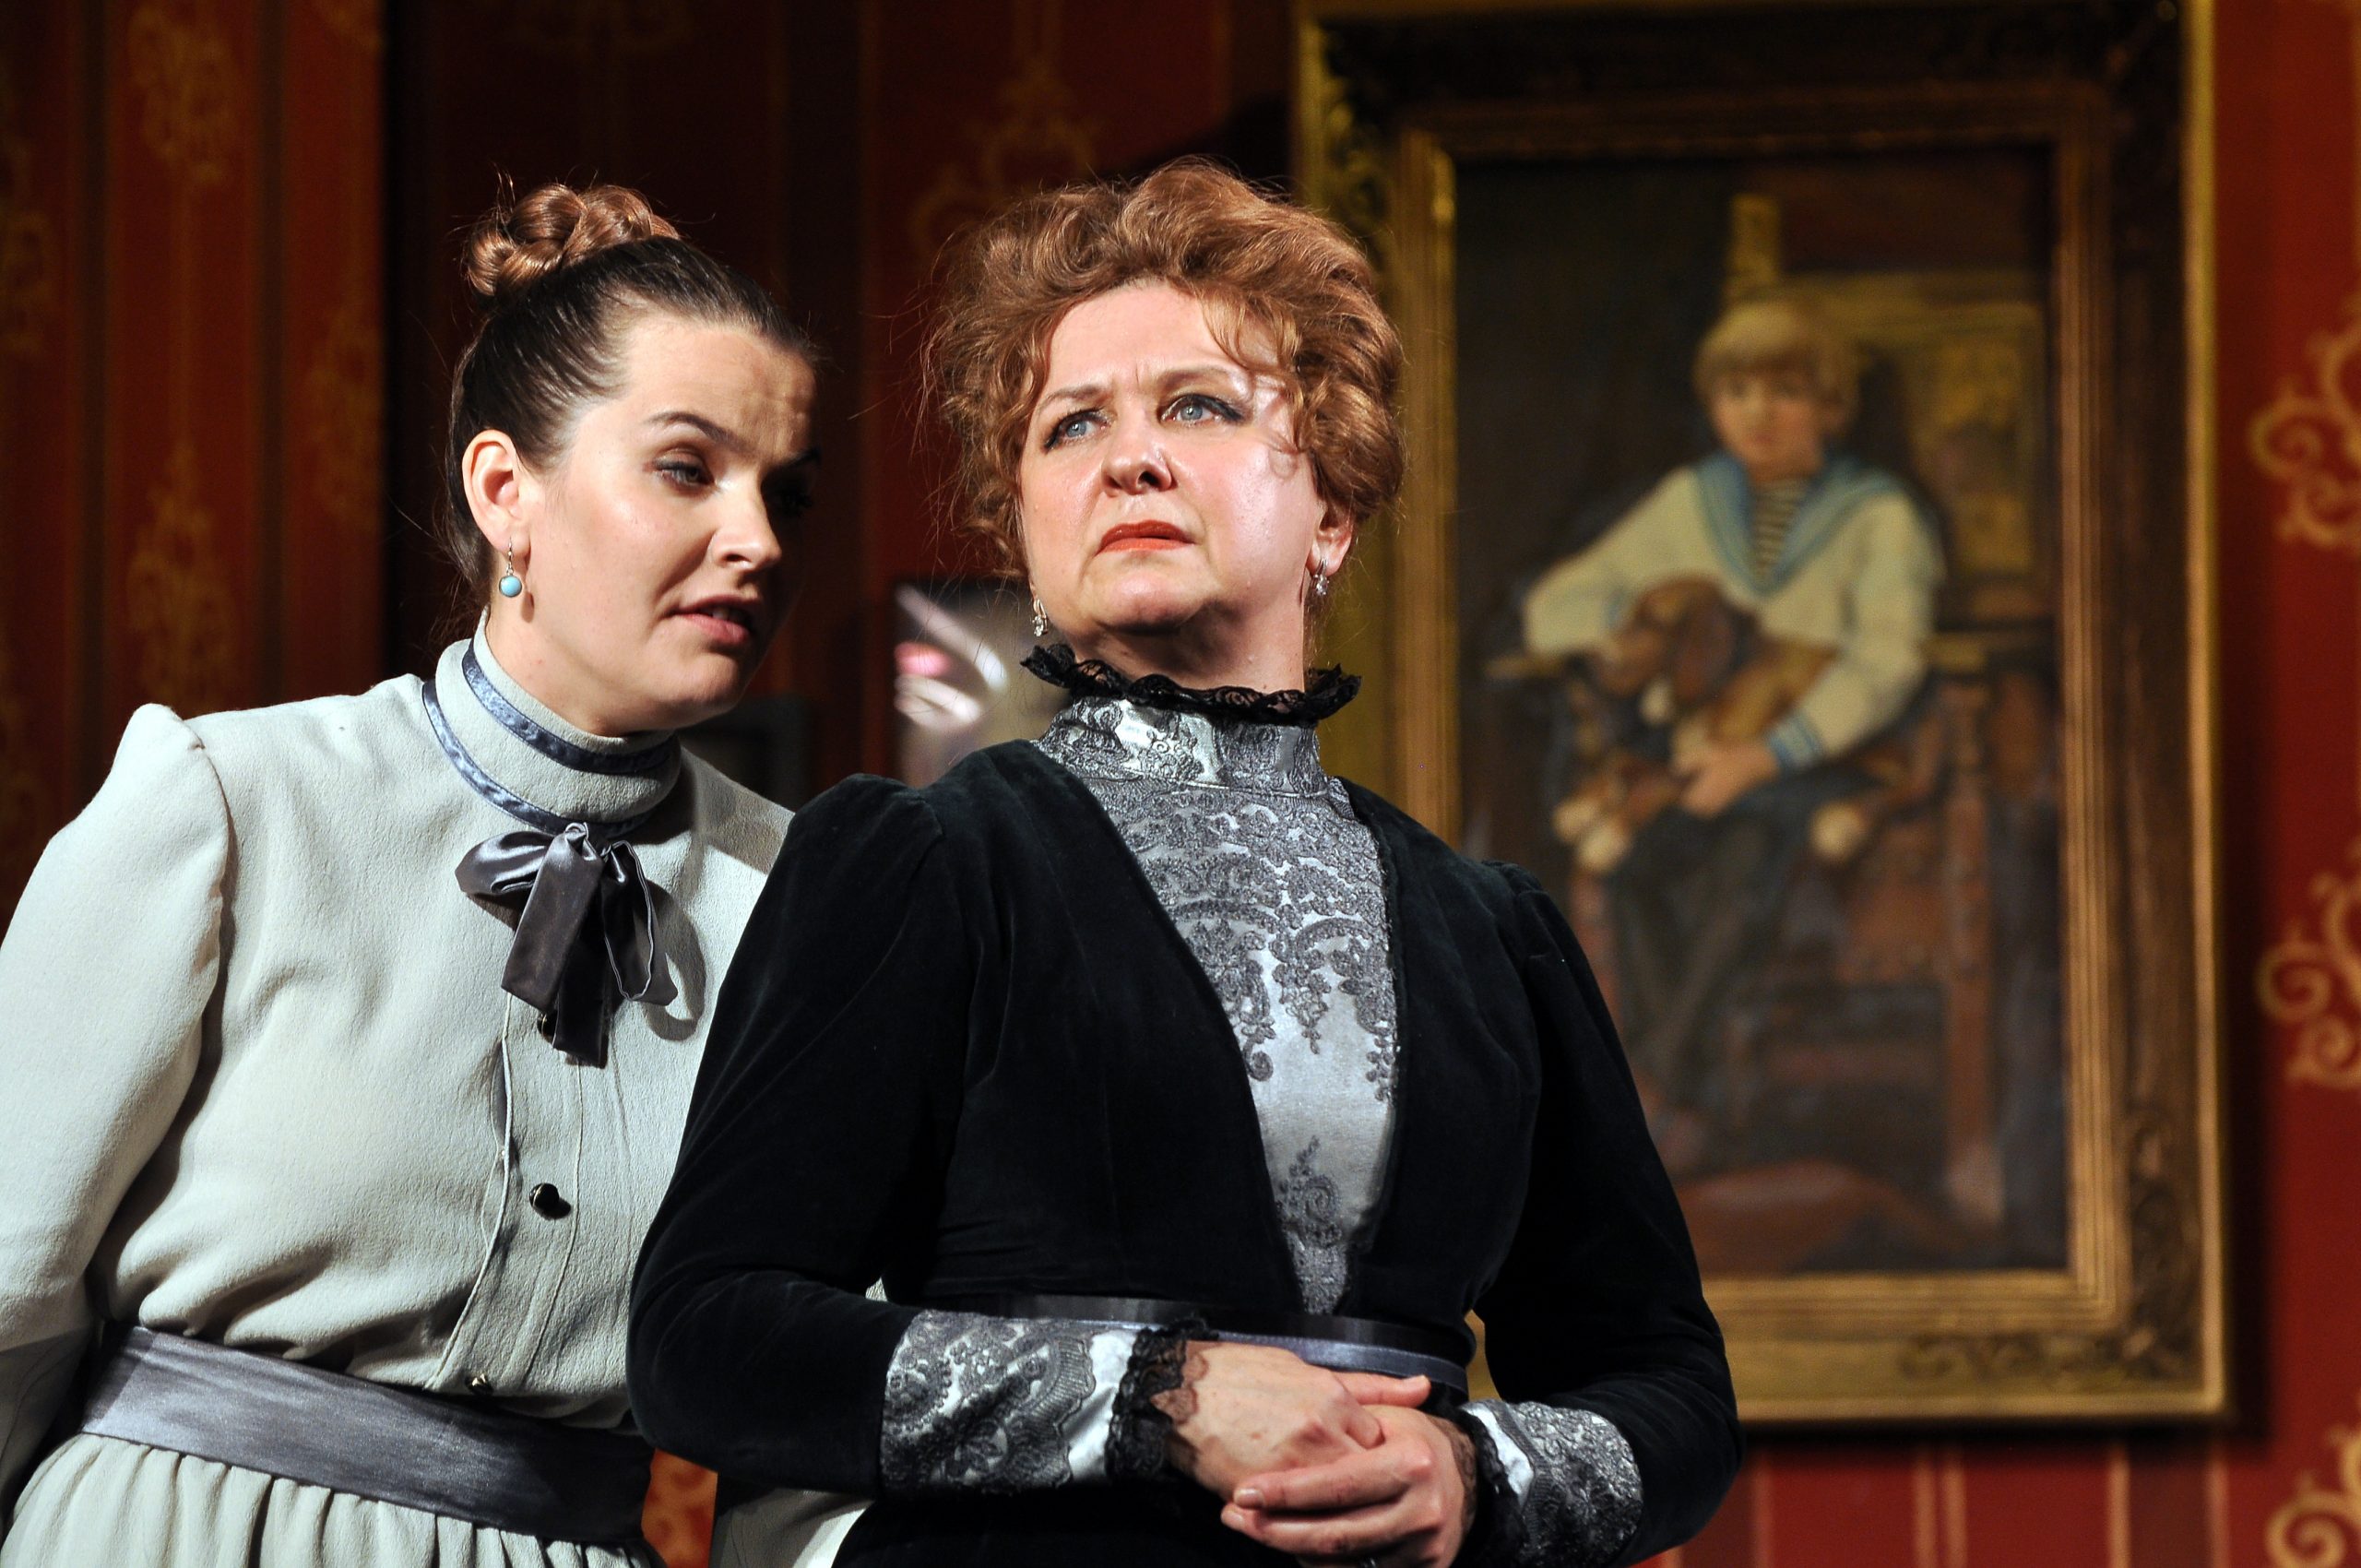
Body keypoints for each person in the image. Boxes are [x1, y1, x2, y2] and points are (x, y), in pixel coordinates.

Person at [629, 160, 1738, 1568]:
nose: (1130, 458)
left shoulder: (1493, 934)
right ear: (1025, 526)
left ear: (1331, 510)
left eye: (1197, 407)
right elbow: (707, 1340)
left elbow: (1672, 1397)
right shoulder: (921, 863)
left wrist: (1473, 1469)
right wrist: (1162, 1395)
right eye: (1071, 425)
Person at [0, 181, 819, 1566]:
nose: (761, 541)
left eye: (786, 491)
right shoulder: (229, 806)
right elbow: (8, 1286)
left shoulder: (801, 902)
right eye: (689, 469)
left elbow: (802, 1417)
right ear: (506, 492)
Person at [1520, 299, 1943, 1146]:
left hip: (1825, 757)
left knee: (1743, 851)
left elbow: (1887, 663)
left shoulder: (1878, 516)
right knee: (1636, 861)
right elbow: (1552, 608)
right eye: (1737, 390)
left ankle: (1660, 1091)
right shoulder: (1693, 502)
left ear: (1830, 406)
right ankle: (1683, 1093)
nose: (1758, 412)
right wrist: (1630, 629)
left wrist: (1765, 756)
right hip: (1707, 754)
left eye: (1786, 391)